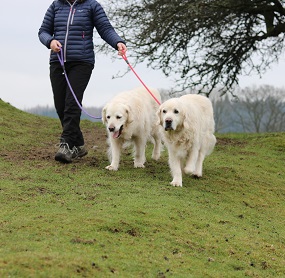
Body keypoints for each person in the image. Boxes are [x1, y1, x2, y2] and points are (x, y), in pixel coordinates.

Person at [38, 0, 127, 163]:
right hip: (58, 61)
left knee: (72, 104)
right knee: (60, 105)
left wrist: (118, 42)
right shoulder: (56, 6)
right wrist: (50, 41)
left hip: (82, 62)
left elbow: (105, 29)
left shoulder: (92, 6)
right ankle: (78, 144)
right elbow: (43, 31)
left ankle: (66, 145)